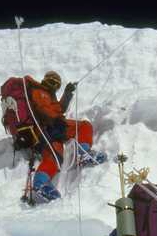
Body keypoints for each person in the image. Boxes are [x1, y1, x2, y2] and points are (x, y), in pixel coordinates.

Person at [28, 71, 106, 203]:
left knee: (55, 158)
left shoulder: (49, 96)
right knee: (84, 126)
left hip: (51, 130)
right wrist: (54, 120)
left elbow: (59, 108)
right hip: (47, 128)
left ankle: (41, 183)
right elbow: (41, 108)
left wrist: (67, 93)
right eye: (51, 81)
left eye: (56, 84)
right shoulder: (39, 91)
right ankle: (83, 153)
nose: (53, 85)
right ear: (45, 80)